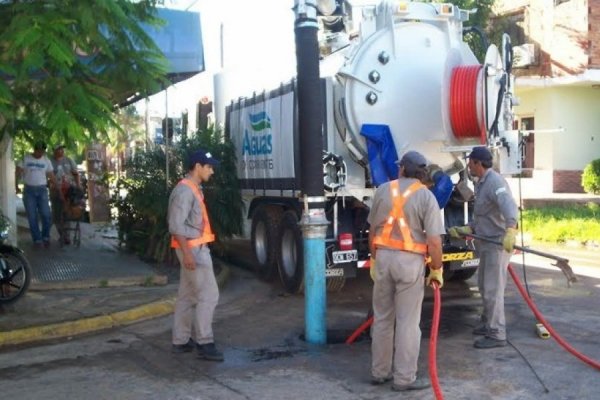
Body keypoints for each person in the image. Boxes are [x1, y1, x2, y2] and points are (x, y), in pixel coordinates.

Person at [367, 150, 444, 392]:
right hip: (410, 264)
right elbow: (434, 242)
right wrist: (437, 269)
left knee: (382, 318)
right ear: (422, 173)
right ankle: (404, 379)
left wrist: (374, 258)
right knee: (408, 323)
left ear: (401, 169)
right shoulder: (426, 197)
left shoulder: (382, 190)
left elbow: (372, 232)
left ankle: (379, 372)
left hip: (384, 259)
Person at [448, 146, 518, 349]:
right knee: (484, 286)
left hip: (497, 243)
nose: (468, 166)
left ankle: (497, 334)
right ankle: (488, 323)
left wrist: (511, 229)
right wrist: (466, 228)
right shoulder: (481, 183)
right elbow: (485, 215)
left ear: (478, 163)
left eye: (470, 163)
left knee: (493, 290)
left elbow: (508, 206)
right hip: (485, 241)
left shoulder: (495, 182)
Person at [168, 148, 224, 362]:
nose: (212, 171)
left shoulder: (193, 188)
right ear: (197, 166)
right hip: (194, 251)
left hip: (193, 248)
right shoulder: (185, 191)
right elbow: (176, 226)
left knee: (187, 295)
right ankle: (204, 342)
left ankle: (180, 341)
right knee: (208, 295)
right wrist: (188, 254)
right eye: (209, 167)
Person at [16, 142, 58, 247]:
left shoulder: (46, 160)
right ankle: (37, 239)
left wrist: (57, 186)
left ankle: (45, 236)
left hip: (42, 190)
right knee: (32, 216)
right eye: (39, 150)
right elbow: (17, 172)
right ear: (35, 150)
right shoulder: (26, 158)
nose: (40, 153)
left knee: (46, 214)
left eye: (42, 151)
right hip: (29, 190)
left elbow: (51, 175)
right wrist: (15, 185)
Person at [50, 145, 81, 244]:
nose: (61, 151)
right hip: (55, 190)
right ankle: (61, 234)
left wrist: (78, 185)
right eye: (59, 149)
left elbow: (76, 174)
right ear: (54, 150)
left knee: (68, 213)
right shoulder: (50, 161)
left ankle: (67, 236)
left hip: (69, 190)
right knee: (57, 214)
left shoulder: (69, 160)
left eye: (62, 149)